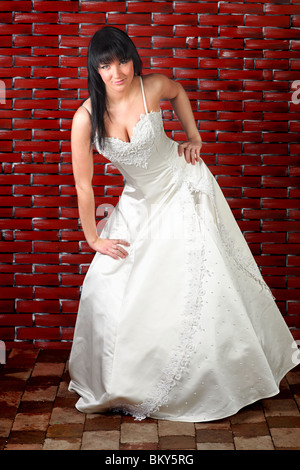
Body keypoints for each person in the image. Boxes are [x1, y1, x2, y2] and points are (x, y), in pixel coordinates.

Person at [68, 26, 299, 422]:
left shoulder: (151, 86)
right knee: (108, 284)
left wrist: (194, 136)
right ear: (96, 69)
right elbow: (84, 186)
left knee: (200, 280)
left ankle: (218, 374)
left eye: (123, 61)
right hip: (138, 203)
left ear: (133, 61)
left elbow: (179, 93)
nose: (117, 72)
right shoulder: (85, 118)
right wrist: (93, 239)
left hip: (183, 183)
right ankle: (131, 376)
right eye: (105, 65)